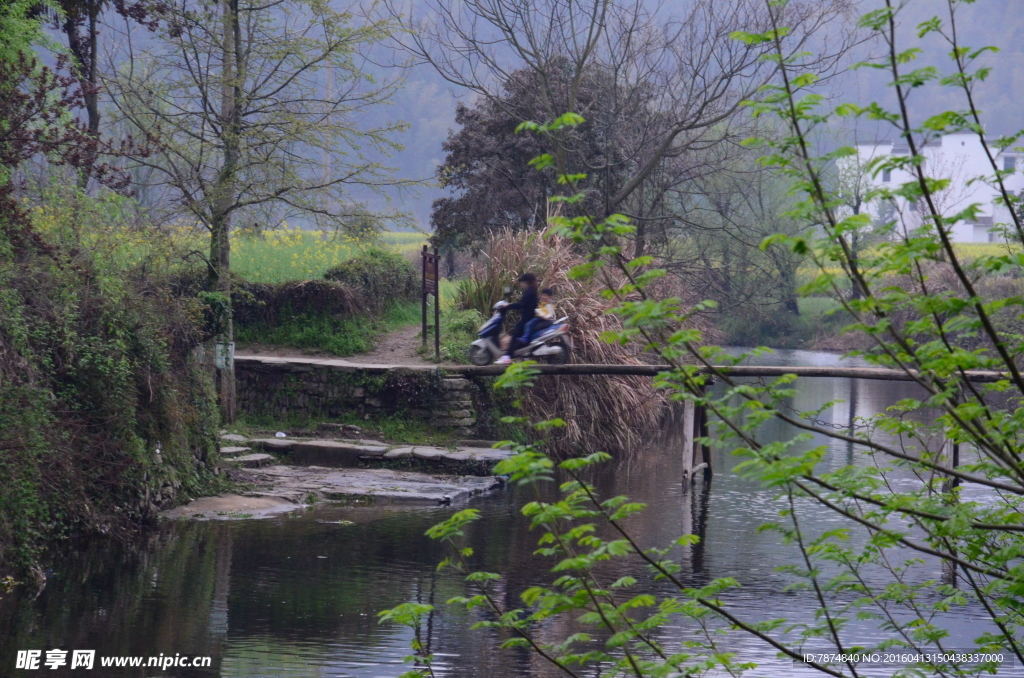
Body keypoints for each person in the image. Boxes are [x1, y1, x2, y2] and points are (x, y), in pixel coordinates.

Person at [494, 273, 538, 364]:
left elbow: (521, 304)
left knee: (515, 336)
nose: (521, 284)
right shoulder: (532, 290)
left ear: (525, 282)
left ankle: (507, 357)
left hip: (527, 319)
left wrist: (508, 306)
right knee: (517, 336)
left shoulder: (529, 292)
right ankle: (519, 356)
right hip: (529, 317)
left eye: (521, 282)